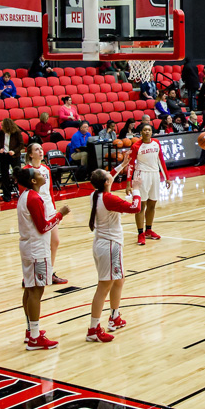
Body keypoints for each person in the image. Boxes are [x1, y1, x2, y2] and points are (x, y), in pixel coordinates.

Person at [85, 164, 142, 343]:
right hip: (110, 246)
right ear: (107, 182)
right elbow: (135, 208)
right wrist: (137, 191)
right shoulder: (108, 198)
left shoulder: (95, 194)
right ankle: (93, 329)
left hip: (103, 244)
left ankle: (114, 317)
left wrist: (122, 165)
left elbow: (106, 177)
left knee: (119, 280)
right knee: (103, 287)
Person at [16, 167, 70, 351]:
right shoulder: (33, 198)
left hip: (29, 246)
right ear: (32, 181)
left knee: (30, 288)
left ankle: (31, 331)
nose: (42, 175)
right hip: (36, 248)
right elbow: (44, 227)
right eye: (39, 175)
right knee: (36, 291)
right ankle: (35, 337)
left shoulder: (25, 195)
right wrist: (60, 214)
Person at [22, 142, 69, 285]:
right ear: (30, 154)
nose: (41, 151)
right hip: (36, 209)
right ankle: (29, 276)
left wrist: (55, 211)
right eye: (37, 149)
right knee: (37, 244)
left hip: (49, 208)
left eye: (41, 149)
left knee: (55, 241)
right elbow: (24, 193)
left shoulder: (46, 169)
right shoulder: (26, 171)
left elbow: (50, 192)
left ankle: (50, 272)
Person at [125, 123, 170, 246]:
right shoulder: (136, 146)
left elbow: (161, 159)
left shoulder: (156, 143)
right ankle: (140, 233)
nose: (147, 132)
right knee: (141, 205)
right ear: (141, 132)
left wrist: (167, 177)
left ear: (151, 132)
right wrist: (128, 183)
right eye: (144, 130)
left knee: (152, 203)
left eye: (149, 130)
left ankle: (149, 230)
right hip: (141, 175)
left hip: (154, 174)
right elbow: (131, 165)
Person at [0, 118, 27, 197]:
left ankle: (21, 192)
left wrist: (14, 151)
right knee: (4, 175)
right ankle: (7, 195)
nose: (2, 127)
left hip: (14, 156)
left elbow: (21, 144)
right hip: (4, 156)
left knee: (18, 173)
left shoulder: (16, 132)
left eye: (3, 125)